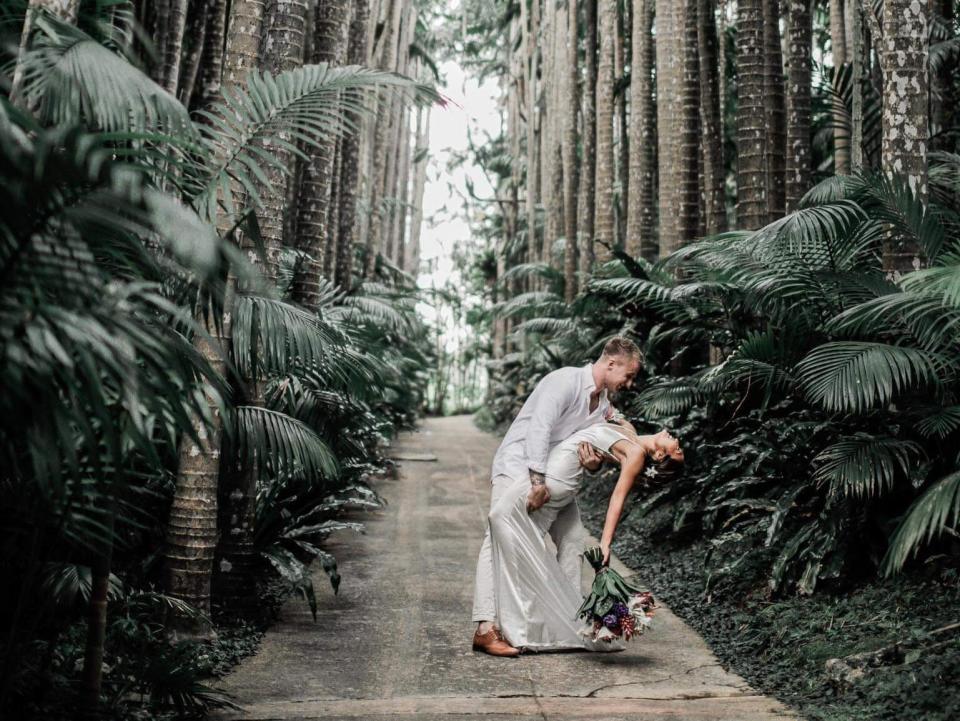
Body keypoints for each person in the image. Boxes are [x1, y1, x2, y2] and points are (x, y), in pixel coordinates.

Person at [471, 337, 642, 657]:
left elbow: (620, 432)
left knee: (574, 538)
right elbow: (540, 428)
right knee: (495, 537)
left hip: (553, 477)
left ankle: (571, 623)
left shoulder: (602, 404)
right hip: (517, 468)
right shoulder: (563, 381)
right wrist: (536, 483)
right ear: (611, 364)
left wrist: (595, 464)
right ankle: (485, 628)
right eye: (628, 375)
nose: (630, 383)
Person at [488, 423, 684, 653]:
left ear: (660, 454)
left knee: (507, 526)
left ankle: (522, 630)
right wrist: (595, 463)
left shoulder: (637, 454)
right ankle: (546, 626)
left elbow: (617, 499)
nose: (678, 442)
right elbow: (602, 425)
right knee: (516, 535)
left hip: (555, 480)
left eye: (677, 450)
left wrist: (605, 544)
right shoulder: (632, 436)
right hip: (561, 476)